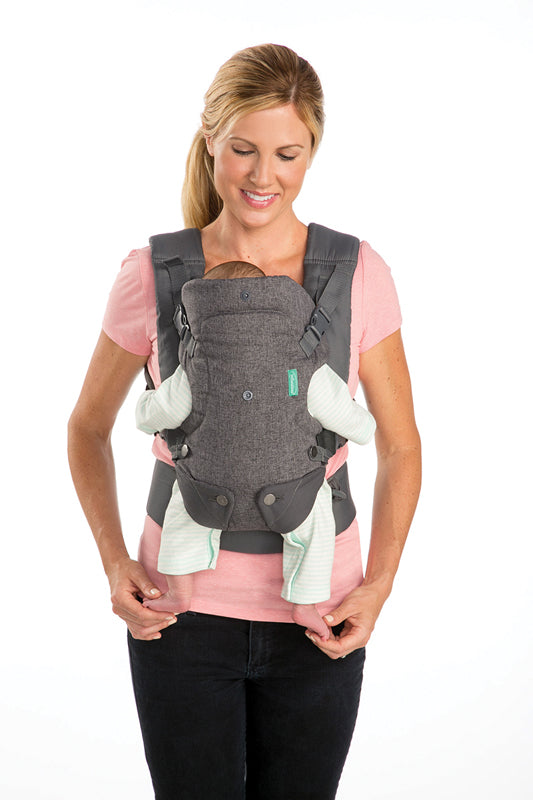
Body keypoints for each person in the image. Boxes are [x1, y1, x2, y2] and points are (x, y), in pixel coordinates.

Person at [68, 43, 421, 800]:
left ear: (312, 152)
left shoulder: (357, 272)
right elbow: (86, 428)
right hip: (178, 617)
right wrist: (114, 562)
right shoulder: (153, 274)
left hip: (321, 614)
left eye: (287, 154)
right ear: (210, 141)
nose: (264, 177)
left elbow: (400, 444)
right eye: (243, 150)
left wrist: (380, 584)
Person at [135, 259, 377, 641]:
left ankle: (179, 592)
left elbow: (162, 412)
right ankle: (305, 603)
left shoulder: (197, 364)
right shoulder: (302, 361)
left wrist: (144, 408)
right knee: (317, 524)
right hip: (294, 490)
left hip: (206, 490)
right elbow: (348, 419)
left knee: (181, 513)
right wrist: (365, 427)